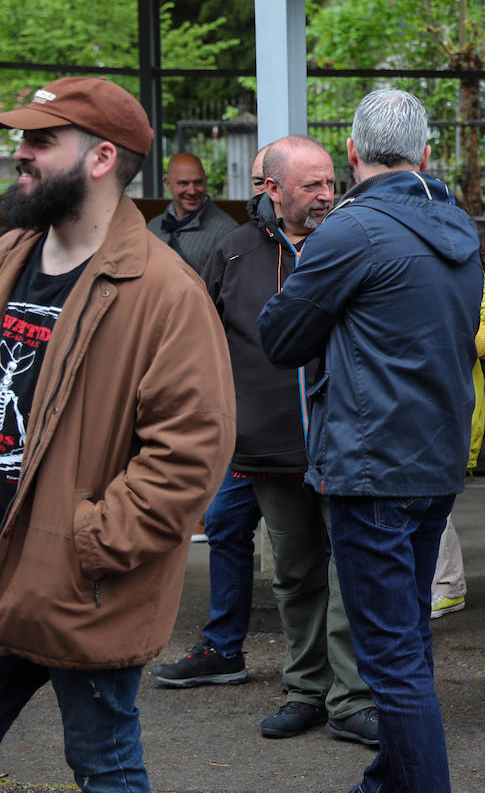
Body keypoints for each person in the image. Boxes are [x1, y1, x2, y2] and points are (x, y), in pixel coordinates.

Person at [0, 76, 235, 791]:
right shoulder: (9, 252)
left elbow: (192, 448)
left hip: (79, 583)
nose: (21, 153)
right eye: (21, 138)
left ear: (101, 159)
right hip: (5, 565)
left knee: (104, 765)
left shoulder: (166, 292)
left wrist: (88, 542)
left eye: (41, 140)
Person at [259, 89, 483, 792]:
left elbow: (281, 336)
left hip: (372, 466)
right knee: (407, 641)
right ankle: (391, 779)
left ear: (352, 153)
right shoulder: (458, 227)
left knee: (389, 658)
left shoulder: (351, 233)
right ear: (424, 154)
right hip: (435, 463)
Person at [179, 135, 378, 746]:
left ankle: (352, 699)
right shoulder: (232, 252)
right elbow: (202, 343)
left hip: (344, 442)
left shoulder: (351, 242)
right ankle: (304, 690)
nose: (327, 194)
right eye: (312, 185)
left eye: (329, 181)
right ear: (272, 188)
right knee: (293, 576)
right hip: (268, 449)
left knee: (351, 574)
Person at [150, 143, 276, 692]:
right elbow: (204, 327)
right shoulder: (233, 248)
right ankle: (224, 648)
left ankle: (325, 669)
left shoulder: (328, 248)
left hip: (306, 431)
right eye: (254, 183)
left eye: (266, 183)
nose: (258, 195)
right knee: (225, 524)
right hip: (246, 430)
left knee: (315, 551)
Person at [431, 265, 485, 618]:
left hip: (449, 409)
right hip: (416, 406)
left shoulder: (472, 277)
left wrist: (452, 337)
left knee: (432, 500)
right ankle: (444, 583)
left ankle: (447, 584)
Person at [146, 151, 238, 278]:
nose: (192, 191)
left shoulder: (228, 232)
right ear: (168, 183)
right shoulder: (153, 227)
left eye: (198, 183)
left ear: (206, 181)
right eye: (183, 183)